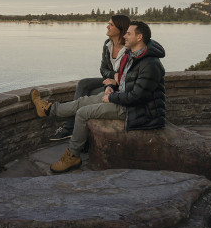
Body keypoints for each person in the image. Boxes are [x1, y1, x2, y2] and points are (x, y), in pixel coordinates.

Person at [30, 21, 166, 173]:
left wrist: (112, 97)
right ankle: (48, 109)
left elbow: (138, 97)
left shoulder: (150, 64)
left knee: (83, 113)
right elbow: (123, 82)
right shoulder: (131, 56)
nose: (125, 37)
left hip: (136, 110)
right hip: (121, 97)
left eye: (129, 33)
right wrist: (111, 87)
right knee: (82, 102)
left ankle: (73, 155)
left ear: (139, 37)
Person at [49, 14, 132, 141]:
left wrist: (117, 79)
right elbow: (103, 69)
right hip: (110, 81)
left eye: (111, 24)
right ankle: (70, 127)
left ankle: (68, 127)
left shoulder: (129, 49)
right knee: (83, 83)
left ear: (120, 29)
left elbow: (131, 76)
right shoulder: (107, 44)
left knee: (89, 95)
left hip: (121, 85)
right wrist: (112, 75)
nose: (107, 26)